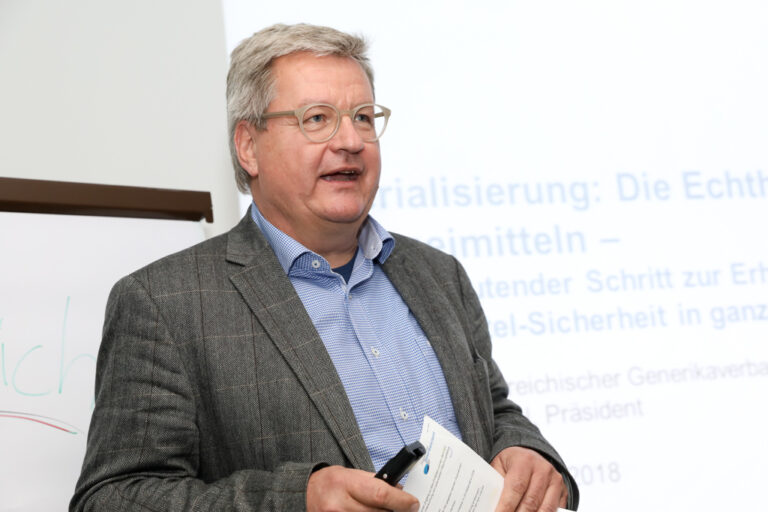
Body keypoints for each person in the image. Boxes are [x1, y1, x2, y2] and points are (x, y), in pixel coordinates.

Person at [71, 23, 579, 512]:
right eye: (317, 118)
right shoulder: (165, 304)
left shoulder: (439, 274)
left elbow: (495, 412)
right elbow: (113, 497)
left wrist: (526, 451)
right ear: (248, 146)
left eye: (363, 117)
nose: (351, 140)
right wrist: (298, 499)